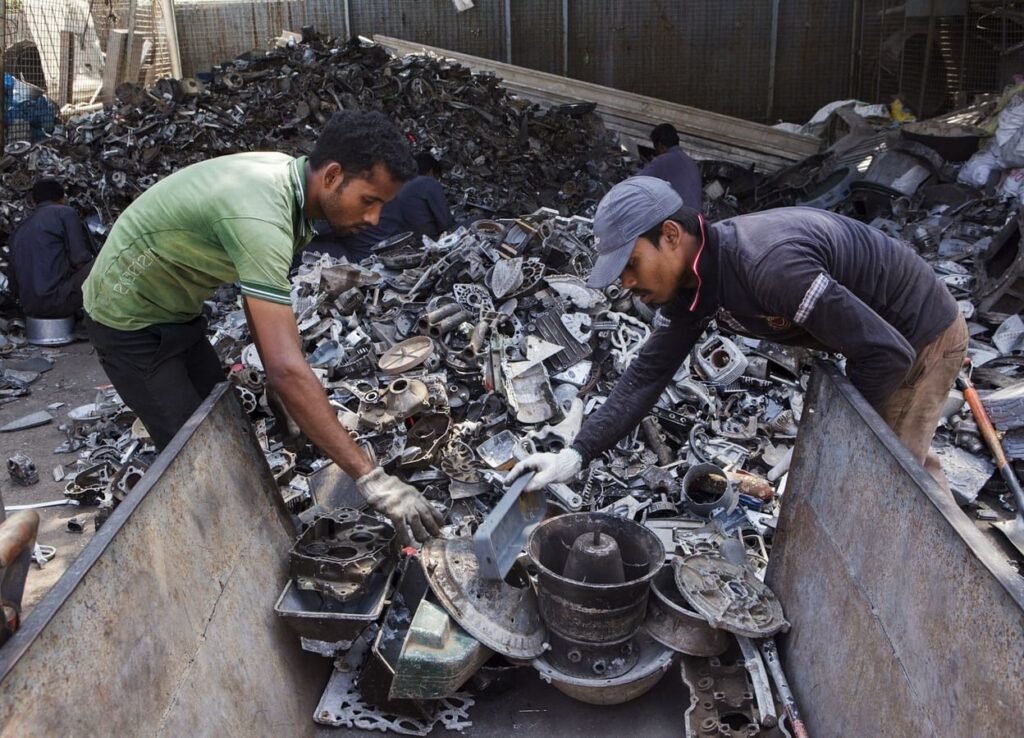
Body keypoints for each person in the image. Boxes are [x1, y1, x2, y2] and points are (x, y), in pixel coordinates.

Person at [82, 110, 442, 545]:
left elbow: (259, 301)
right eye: (369, 200)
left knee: (225, 431)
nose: (374, 219)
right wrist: (372, 478)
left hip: (177, 312)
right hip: (127, 321)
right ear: (332, 176)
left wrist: (276, 379)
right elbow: (288, 368)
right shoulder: (261, 216)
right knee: (193, 460)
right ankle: (207, 555)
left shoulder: (292, 190)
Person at [508, 176, 968, 499]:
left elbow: (886, 354)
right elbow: (647, 375)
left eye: (631, 264)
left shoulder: (767, 266)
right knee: (896, 468)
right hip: (877, 342)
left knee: (886, 490)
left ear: (671, 235)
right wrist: (575, 455)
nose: (626, 283)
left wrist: (829, 440)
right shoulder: (696, 285)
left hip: (919, 338)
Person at [303, 152, 455, 262]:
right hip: (386, 253)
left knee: (298, 247)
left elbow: (318, 229)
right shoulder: (394, 189)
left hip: (361, 257)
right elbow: (447, 225)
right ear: (431, 172)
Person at [8, 178, 94, 318]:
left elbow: (13, 285)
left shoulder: (18, 229)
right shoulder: (66, 213)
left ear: (34, 202)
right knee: (106, 262)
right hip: (58, 301)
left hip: (30, 308)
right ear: (62, 198)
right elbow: (80, 260)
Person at [638, 123, 703, 210]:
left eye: (655, 148)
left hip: (679, 215)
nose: (656, 153)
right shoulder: (690, 162)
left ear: (660, 145)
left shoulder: (663, 160)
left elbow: (637, 182)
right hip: (696, 215)